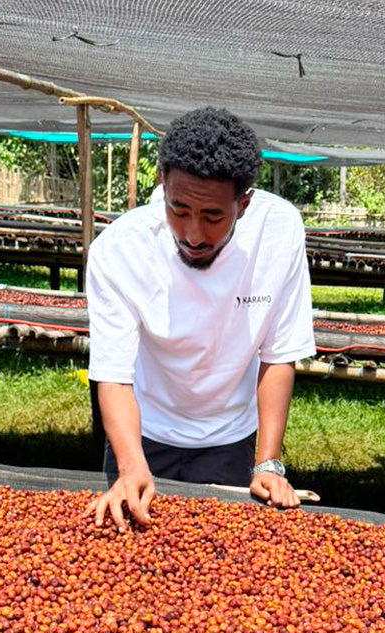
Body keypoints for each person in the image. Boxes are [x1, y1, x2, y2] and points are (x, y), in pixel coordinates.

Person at [85, 107, 316, 530]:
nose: (193, 234)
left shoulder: (279, 232)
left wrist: (268, 463)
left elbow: (278, 353)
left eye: (213, 217)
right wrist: (131, 466)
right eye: (179, 209)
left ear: (243, 205)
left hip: (230, 437)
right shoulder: (119, 250)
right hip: (143, 432)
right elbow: (113, 373)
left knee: (223, 561)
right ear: (162, 184)